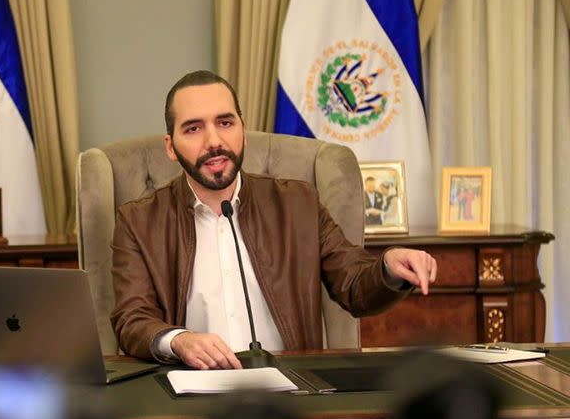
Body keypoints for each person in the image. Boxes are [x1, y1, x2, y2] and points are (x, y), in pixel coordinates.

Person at [110, 70, 437, 370]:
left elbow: (353, 283)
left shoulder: (298, 204)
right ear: (171, 147)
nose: (213, 141)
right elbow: (132, 319)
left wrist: (389, 268)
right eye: (193, 128)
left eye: (225, 123)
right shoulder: (138, 221)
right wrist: (178, 340)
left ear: (242, 129)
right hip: (192, 393)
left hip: (289, 394)